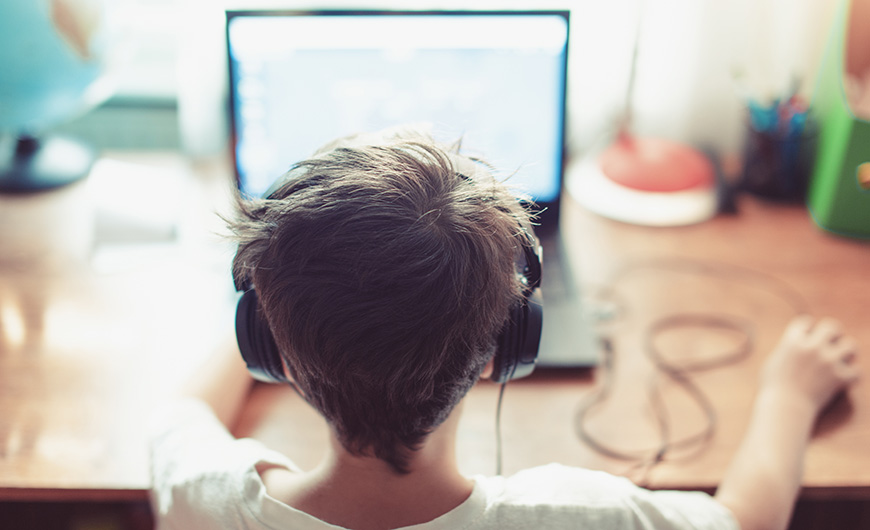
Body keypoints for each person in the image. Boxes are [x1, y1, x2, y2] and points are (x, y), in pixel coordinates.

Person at [149, 130, 860, 530]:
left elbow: (180, 414)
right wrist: (790, 399)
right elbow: (746, 521)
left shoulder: (209, 496)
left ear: (267, 348)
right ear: (506, 348)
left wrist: (290, 306)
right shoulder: (576, 517)